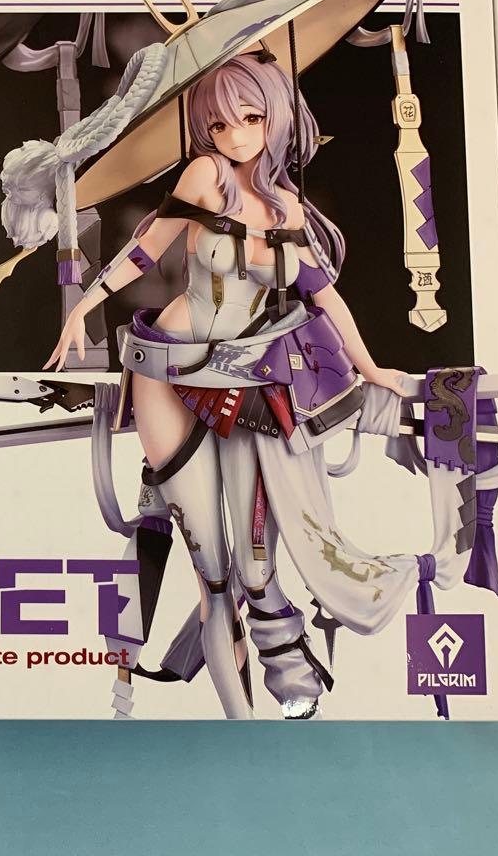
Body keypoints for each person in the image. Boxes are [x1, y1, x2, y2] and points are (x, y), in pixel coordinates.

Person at [47, 52, 407, 719]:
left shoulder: (289, 206)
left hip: (245, 378)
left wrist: (370, 365)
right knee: (211, 571)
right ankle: (240, 717)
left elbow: (325, 297)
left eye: (251, 118)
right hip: (168, 370)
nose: (235, 136)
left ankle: (282, 663)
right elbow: (146, 249)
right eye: (218, 124)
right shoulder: (205, 174)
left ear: (277, 116)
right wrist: (84, 306)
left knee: (255, 564)